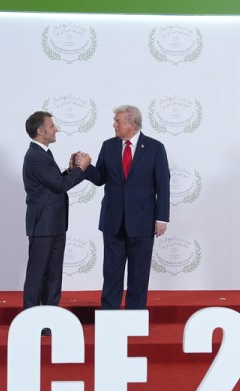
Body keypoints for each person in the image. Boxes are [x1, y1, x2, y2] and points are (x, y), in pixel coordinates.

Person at [80, 105, 170, 310]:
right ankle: (109, 315)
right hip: (113, 220)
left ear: (131, 124)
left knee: (139, 274)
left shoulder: (155, 148)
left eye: (117, 121)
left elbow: (163, 185)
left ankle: (134, 317)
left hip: (143, 222)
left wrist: (161, 218)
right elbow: (100, 178)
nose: (114, 124)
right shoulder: (108, 146)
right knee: (111, 272)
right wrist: (86, 168)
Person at [22, 111, 88, 333]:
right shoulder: (35, 156)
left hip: (54, 223)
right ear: (40, 131)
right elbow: (60, 186)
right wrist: (81, 169)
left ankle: (49, 320)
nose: (56, 129)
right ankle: (31, 321)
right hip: (44, 225)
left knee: (53, 273)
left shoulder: (43, 154)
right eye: (52, 126)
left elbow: (55, 182)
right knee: (38, 273)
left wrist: (70, 170)